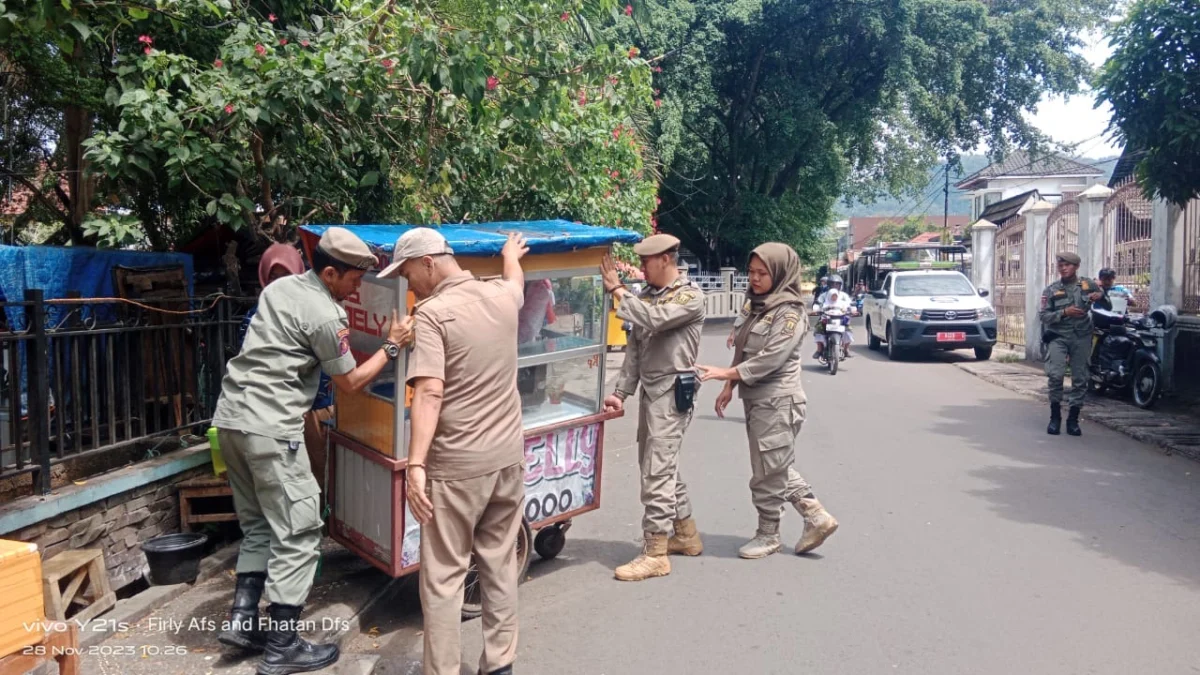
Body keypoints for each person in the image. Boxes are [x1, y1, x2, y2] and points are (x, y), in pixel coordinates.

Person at [213, 227, 412, 674]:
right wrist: (394, 344)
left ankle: (244, 621)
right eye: (354, 280)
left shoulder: (282, 288)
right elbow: (352, 382)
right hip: (271, 430)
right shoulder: (326, 315)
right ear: (328, 272)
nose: (358, 288)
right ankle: (283, 645)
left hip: (231, 421)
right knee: (301, 531)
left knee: (262, 524)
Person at [380, 228, 528, 675]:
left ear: (428, 262)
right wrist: (509, 255)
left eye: (407, 273)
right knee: (499, 565)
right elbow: (517, 284)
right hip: (507, 459)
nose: (407, 285)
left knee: (444, 577)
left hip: (456, 467)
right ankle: (499, 664)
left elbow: (428, 393)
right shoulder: (501, 296)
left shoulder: (432, 315)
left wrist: (417, 465)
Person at [695, 243, 838, 559]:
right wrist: (730, 385)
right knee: (772, 465)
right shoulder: (756, 305)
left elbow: (771, 358)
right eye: (751, 271)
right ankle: (816, 517)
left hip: (778, 401)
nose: (755, 278)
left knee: (767, 473)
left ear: (780, 274)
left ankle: (769, 534)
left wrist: (725, 373)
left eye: (763, 273)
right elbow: (744, 345)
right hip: (758, 400)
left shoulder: (790, 313)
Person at [599, 234, 705, 581]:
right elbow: (634, 352)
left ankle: (656, 551)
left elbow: (656, 319)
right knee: (659, 465)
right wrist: (620, 392)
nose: (642, 267)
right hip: (650, 391)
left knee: (657, 471)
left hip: (672, 392)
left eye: (646, 261)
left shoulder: (691, 296)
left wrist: (617, 291)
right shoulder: (645, 297)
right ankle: (686, 535)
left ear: (666, 259)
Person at [237, 243, 337, 495]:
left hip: (316, 409)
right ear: (264, 279)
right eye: (274, 277)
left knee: (319, 472)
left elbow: (328, 358)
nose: (280, 284)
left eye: (287, 277)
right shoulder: (254, 318)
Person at [1040, 251, 1102, 437]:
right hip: (1058, 336)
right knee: (1056, 375)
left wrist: (1100, 296)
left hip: (1081, 337)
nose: (1063, 268)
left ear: (1076, 267)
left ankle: (1073, 419)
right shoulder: (1051, 290)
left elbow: (1104, 301)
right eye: (1060, 265)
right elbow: (1043, 316)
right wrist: (1064, 312)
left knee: (1080, 378)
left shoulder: (1087, 284)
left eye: (1067, 265)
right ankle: (1055, 417)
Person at [811, 274, 854, 359]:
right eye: (832, 284)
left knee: (848, 330)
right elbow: (817, 304)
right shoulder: (824, 295)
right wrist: (816, 309)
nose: (835, 286)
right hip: (826, 317)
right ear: (829, 285)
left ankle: (846, 349)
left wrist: (853, 310)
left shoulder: (844, 296)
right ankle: (819, 349)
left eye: (837, 284)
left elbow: (851, 304)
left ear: (840, 285)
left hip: (841, 317)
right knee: (818, 330)